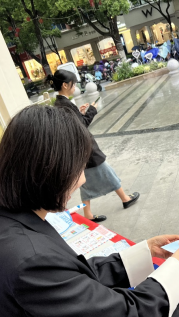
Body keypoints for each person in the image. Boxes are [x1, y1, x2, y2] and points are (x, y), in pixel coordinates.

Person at [0, 105, 179, 317]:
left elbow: (71, 281)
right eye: (77, 168)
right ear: (45, 171)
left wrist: (145, 252)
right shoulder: (27, 259)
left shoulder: (11, 223)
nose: (82, 179)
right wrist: (176, 269)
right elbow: (124, 315)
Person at [48, 70, 140, 223]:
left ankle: (89, 214)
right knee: (107, 172)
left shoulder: (60, 104)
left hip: (79, 151)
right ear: (65, 85)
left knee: (87, 183)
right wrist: (92, 110)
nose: (75, 87)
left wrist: (81, 112)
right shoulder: (65, 105)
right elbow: (81, 126)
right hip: (87, 149)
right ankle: (125, 198)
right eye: (73, 84)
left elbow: (75, 124)